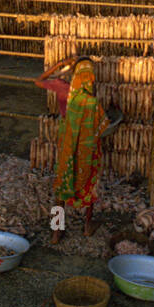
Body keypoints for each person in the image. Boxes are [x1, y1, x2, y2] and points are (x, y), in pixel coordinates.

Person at [35, 56, 114, 242]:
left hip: (67, 148)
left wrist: (59, 65)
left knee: (62, 184)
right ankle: (87, 226)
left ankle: (57, 231)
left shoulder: (64, 89)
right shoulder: (92, 102)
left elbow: (38, 81)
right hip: (87, 151)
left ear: (75, 73)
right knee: (89, 183)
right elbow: (103, 126)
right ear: (91, 77)